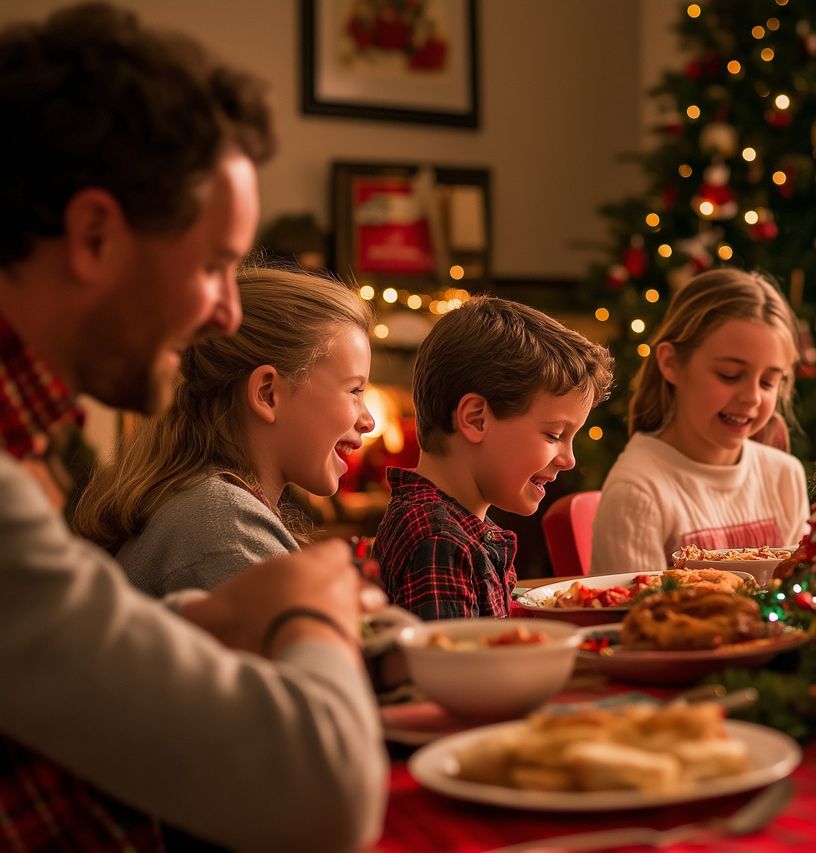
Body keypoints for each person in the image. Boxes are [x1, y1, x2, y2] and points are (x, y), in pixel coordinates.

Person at [0, 4, 386, 849]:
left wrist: (194, 633)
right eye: (214, 265)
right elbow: (325, 802)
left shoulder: (29, 450)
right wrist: (310, 609)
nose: (226, 313)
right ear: (95, 234)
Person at [73, 266, 375, 596]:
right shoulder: (229, 533)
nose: (368, 420)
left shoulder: (206, 509)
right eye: (355, 391)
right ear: (267, 393)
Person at [375, 296, 614, 619]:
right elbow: (458, 668)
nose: (568, 459)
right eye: (554, 435)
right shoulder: (440, 542)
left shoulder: (456, 527)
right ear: (476, 420)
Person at [590, 269, 809, 575]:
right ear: (671, 363)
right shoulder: (638, 491)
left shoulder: (785, 476)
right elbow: (634, 618)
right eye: (729, 375)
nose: (752, 398)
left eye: (769, 382)